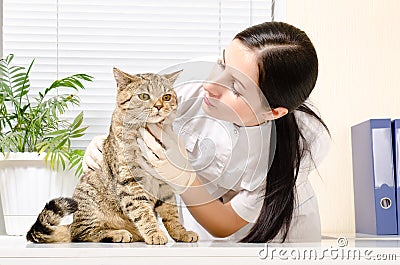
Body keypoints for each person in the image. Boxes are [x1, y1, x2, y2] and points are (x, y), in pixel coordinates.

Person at [83, 21, 331, 243]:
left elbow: (225, 224)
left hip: (281, 241)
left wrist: (185, 177)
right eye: (222, 63)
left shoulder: (307, 140)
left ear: (272, 112)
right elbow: (138, 106)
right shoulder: (185, 88)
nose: (210, 84)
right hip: (205, 240)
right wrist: (108, 144)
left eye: (236, 86)